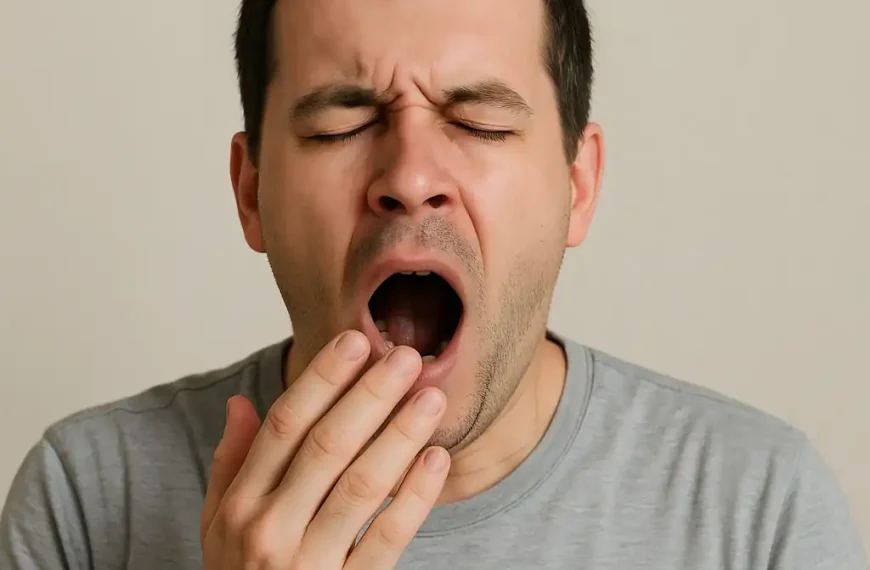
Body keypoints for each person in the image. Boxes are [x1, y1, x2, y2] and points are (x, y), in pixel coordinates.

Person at [2, 0, 867, 568]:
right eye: (343, 121)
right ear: (252, 191)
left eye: (478, 119)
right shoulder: (86, 501)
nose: (411, 175)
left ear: (579, 185)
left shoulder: (760, 513)